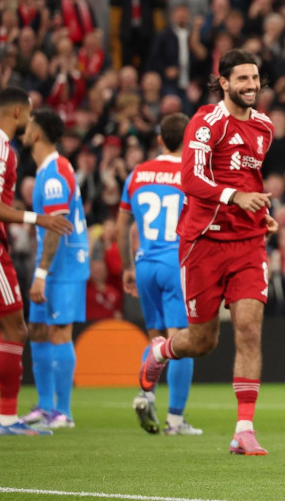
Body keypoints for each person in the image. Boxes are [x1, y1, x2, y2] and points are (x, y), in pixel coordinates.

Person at [138, 49, 278, 456]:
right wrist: (237, 197)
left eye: (255, 79)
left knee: (250, 330)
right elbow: (191, 179)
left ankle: (244, 429)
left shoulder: (266, 128)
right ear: (224, 83)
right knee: (202, 342)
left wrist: (259, 212)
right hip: (203, 242)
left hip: (248, 243)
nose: (251, 86)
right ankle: (162, 350)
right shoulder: (205, 122)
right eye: (242, 79)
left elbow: (250, 177)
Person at [0, 87, 71, 435]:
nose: (30, 120)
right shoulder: (0, 148)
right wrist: (37, 218)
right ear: (17, 112)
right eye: (29, 113)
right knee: (16, 329)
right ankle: (7, 420)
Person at [117, 112, 203, 436]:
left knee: (156, 340)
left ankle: (145, 394)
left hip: (145, 264)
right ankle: (176, 421)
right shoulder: (189, 174)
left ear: (159, 140)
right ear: (190, 141)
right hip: (176, 263)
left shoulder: (137, 174)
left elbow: (123, 222)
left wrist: (127, 264)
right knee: (183, 340)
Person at [20, 108, 90, 429]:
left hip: (64, 266)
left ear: (36, 134)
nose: (23, 129)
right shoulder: (48, 170)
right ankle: (45, 405)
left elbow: (55, 226)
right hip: (50, 265)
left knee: (60, 332)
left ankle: (64, 412)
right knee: (37, 329)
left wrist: (41, 272)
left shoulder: (55, 172)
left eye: (28, 126)